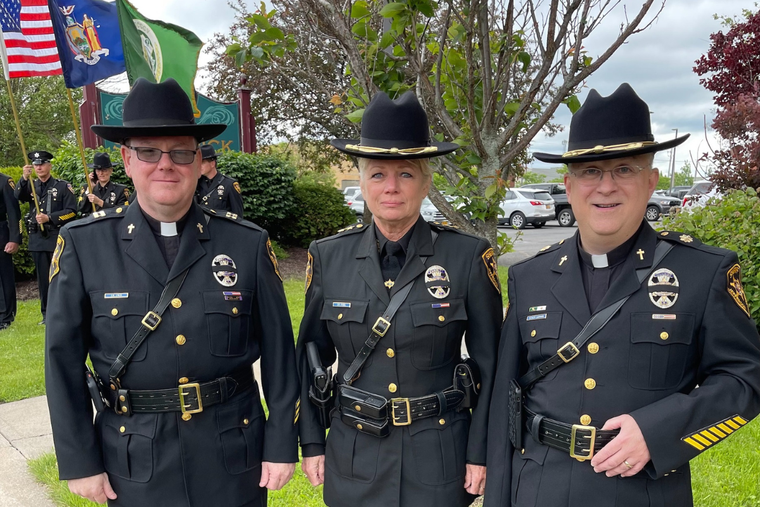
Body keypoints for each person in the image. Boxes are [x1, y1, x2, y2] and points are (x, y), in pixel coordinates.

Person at [484, 83, 760, 507]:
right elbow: (508, 400)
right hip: (539, 488)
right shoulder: (529, 275)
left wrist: (659, 430)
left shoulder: (702, 272)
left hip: (644, 491)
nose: (606, 187)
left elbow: (746, 378)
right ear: (569, 186)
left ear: (650, 183)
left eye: (624, 169)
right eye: (590, 171)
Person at [45, 78, 300, 506]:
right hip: (134, 461)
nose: (166, 164)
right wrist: (79, 460)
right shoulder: (84, 245)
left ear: (198, 160)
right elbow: (62, 362)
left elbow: (279, 352)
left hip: (232, 455)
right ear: (127, 160)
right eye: (148, 151)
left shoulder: (246, 243)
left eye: (181, 152)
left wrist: (280, 443)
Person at [297, 91, 502, 507]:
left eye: (406, 174)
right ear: (362, 183)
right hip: (354, 455)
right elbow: (311, 356)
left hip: (440, 457)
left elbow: (492, 367)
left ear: (426, 182)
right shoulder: (328, 256)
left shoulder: (466, 256)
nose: (391, 187)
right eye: (377, 174)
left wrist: (481, 453)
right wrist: (312, 441)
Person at [15, 151, 77, 324]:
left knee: (60, 277)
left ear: (49, 166)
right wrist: (24, 178)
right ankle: (47, 314)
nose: (39, 167)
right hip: (37, 239)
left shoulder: (62, 186)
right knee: (43, 280)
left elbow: (72, 212)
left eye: (42, 164)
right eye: (36, 165)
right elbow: (17, 196)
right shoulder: (32, 186)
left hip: (56, 237)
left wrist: (50, 218)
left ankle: (65, 312)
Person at [195, 144, 244, 216]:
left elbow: (237, 215)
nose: (198, 166)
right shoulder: (196, 184)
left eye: (202, 163)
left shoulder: (229, 184)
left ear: (212, 164)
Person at [0, 170, 21, 330]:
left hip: (1, 238)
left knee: (3, 278)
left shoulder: (5, 182)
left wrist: (14, 239)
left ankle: (6, 315)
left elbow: (14, 213)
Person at [78, 152, 130, 217]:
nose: (101, 173)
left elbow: (123, 211)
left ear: (111, 171)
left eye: (104, 170)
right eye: (98, 170)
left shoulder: (121, 190)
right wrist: (89, 190)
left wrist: (100, 202)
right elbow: (82, 209)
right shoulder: (87, 188)